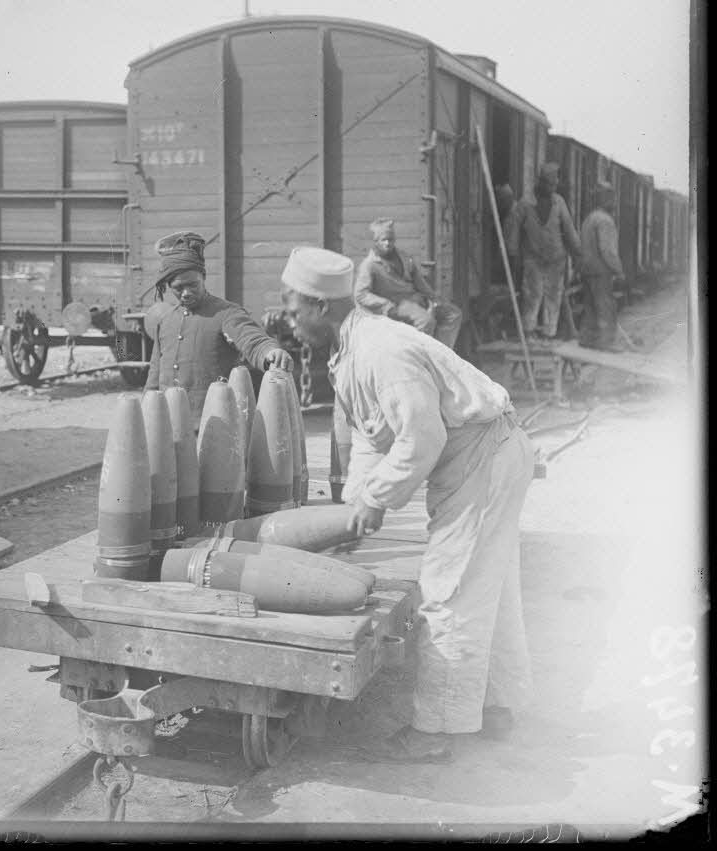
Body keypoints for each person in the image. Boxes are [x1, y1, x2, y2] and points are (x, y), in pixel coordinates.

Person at [280, 246, 536, 764]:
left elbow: (421, 438)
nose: (289, 322)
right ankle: (499, 705)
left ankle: (436, 733)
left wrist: (374, 502)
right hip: (482, 453)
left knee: (450, 590)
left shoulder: (380, 352)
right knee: (492, 586)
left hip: (481, 455)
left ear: (320, 306)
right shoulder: (349, 353)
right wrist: (351, 509)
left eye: (292, 310)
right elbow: (374, 438)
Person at [144, 232, 294, 423]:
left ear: (203, 277)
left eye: (193, 285)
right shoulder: (165, 321)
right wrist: (146, 414)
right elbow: (154, 375)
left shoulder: (226, 313)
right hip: (167, 426)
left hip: (213, 426)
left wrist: (270, 351)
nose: (186, 293)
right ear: (168, 286)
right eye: (178, 288)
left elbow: (251, 339)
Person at [353, 218, 463, 349]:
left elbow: (420, 282)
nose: (388, 243)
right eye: (383, 240)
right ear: (376, 242)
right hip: (397, 304)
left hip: (416, 300)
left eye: (390, 239)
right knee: (426, 322)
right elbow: (360, 294)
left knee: (452, 314)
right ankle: (419, 359)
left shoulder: (404, 257)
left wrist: (434, 298)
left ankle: (441, 353)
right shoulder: (370, 265)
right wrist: (386, 304)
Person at [506, 163, 581, 342]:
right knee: (532, 294)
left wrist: (578, 251)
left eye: (554, 185)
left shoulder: (559, 202)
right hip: (532, 257)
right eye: (549, 184)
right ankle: (529, 331)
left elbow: (569, 229)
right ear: (541, 182)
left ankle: (549, 333)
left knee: (553, 296)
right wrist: (512, 251)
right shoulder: (525, 203)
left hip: (556, 258)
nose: (552, 188)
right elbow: (515, 229)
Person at [577, 184, 625, 352]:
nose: (615, 202)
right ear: (607, 199)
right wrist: (619, 270)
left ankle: (587, 339)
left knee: (589, 306)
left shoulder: (589, 219)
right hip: (601, 271)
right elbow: (607, 250)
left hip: (586, 270)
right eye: (613, 198)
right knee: (605, 306)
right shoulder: (605, 221)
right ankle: (607, 342)